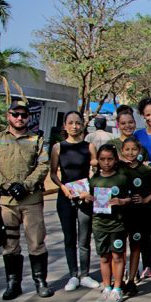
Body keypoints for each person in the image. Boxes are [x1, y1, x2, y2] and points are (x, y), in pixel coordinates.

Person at [0, 100, 53, 300]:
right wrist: (6, 185)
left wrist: (25, 185)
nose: (20, 118)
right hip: (7, 202)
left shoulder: (35, 139)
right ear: (8, 116)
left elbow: (43, 165)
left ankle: (40, 281)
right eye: (16, 114)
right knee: (9, 244)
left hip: (30, 200)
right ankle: (13, 283)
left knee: (36, 241)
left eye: (24, 115)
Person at [50, 111, 100, 292]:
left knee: (84, 238)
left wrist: (90, 189)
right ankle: (73, 274)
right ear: (65, 126)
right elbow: (53, 173)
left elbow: (96, 167)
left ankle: (85, 274)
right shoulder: (58, 147)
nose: (74, 126)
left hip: (84, 197)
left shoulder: (89, 146)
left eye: (78, 123)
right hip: (65, 198)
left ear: (82, 125)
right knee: (69, 237)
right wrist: (63, 188)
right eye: (70, 123)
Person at [83, 144, 131, 302]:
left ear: (115, 160)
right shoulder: (94, 180)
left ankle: (117, 288)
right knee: (104, 257)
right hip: (99, 224)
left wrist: (121, 201)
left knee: (117, 256)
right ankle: (106, 287)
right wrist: (87, 198)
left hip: (117, 224)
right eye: (102, 159)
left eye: (110, 159)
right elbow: (89, 198)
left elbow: (130, 198)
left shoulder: (122, 178)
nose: (106, 163)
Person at [119, 137, 151, 296]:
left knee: (136, 247)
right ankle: (118, 280)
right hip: (120, 215)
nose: (130, 153)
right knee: (120, 248)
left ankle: (131, 280)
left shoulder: (146, 170)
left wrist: (146, 199)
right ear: (122, 151)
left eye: (134, 149)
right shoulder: (119, 168)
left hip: (139, 214)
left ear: (139, 151)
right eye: (127, 149)